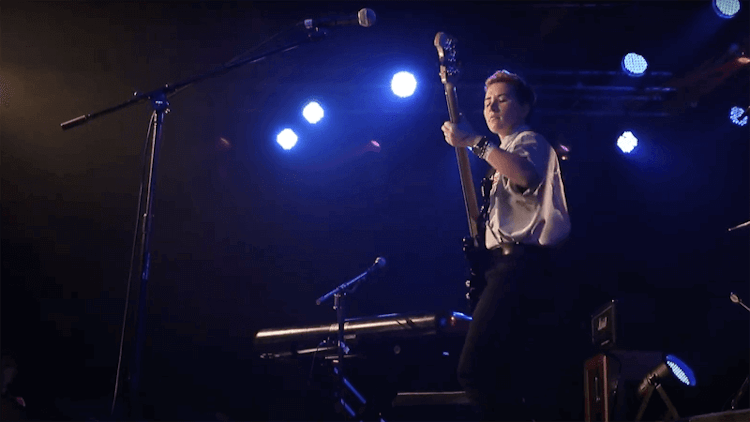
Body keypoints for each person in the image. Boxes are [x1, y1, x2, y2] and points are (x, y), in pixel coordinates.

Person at [441, 70, 571, 421]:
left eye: (501, 99)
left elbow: (525, 174)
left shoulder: (530, 141)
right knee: (507, 373)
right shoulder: (502, 153)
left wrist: (475, 141)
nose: (492, 107)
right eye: (487, 101)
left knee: (474, 371)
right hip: (503, 266)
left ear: (524, 106)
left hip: (522, 266)